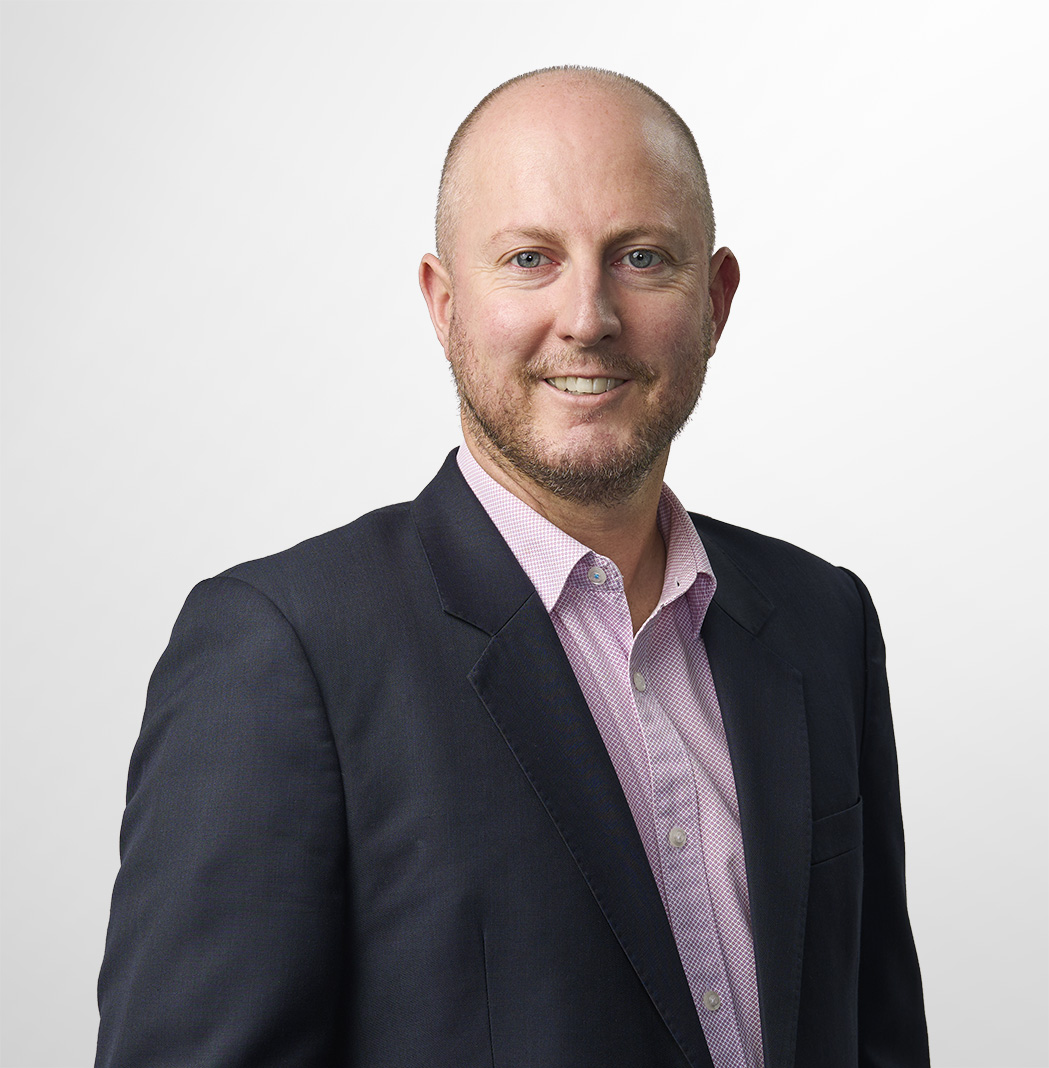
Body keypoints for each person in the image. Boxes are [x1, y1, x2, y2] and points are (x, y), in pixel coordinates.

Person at [95, 66, 929, 1068]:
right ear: (443, 303)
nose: (587, 316)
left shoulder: (821, 621)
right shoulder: (282, 652)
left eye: (640, 257)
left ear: (715, 300)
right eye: (530, 259)